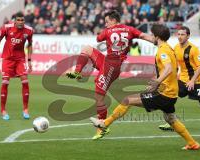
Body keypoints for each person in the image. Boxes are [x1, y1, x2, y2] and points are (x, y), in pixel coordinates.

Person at [90, 24, 200, 150]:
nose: (151, 37)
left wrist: (157, 82)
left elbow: (169, 68)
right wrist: (159, 79)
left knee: (127, 100)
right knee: (171, 119)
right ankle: (192, 143)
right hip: (171, 93)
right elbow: (174, 68)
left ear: (157, 37)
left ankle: (104, 124)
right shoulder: (169, 48)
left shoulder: (163, 50)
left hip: (164, 94)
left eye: (153, 35)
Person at [66, 10, 154, 140]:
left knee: (99, 96)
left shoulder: (108, 31)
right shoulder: (130, 29)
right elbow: (144, 36)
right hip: (108, 61)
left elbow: (98, 38)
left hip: (111, 67)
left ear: (113, 20)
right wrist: (156, 40)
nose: (106, 24)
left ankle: (102, 128)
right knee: (86, 49)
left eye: (107, 22)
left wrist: (109, 30)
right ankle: (77, 71)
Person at [0, 12, 33, 120]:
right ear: (14, 20)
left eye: (22, 20)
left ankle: (25, 109)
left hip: (20, 59)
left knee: (25, 81)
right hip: (7, 59)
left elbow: (30, 45)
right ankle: (3, 110)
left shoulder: (29, 31)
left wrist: (29, 60)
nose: (20, 22)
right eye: (18, 20)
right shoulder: (6, 28)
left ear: (24, 21)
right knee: (5, 82)